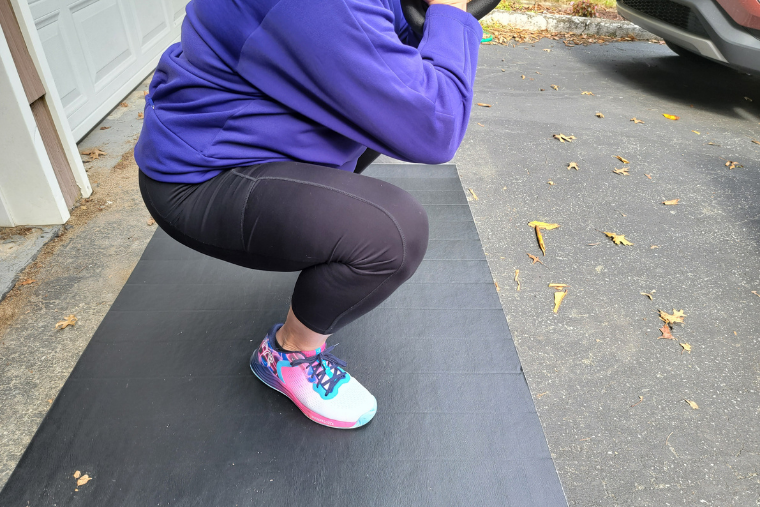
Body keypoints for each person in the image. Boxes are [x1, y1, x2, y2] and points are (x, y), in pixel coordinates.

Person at [135, 0, 482, 429]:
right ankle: (288, 354)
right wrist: (451, 13)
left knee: (384, 112)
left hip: (253, 133)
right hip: (202, 176)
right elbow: (436, 126)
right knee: (395, 233)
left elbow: (391, 46)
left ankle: (321, 229)